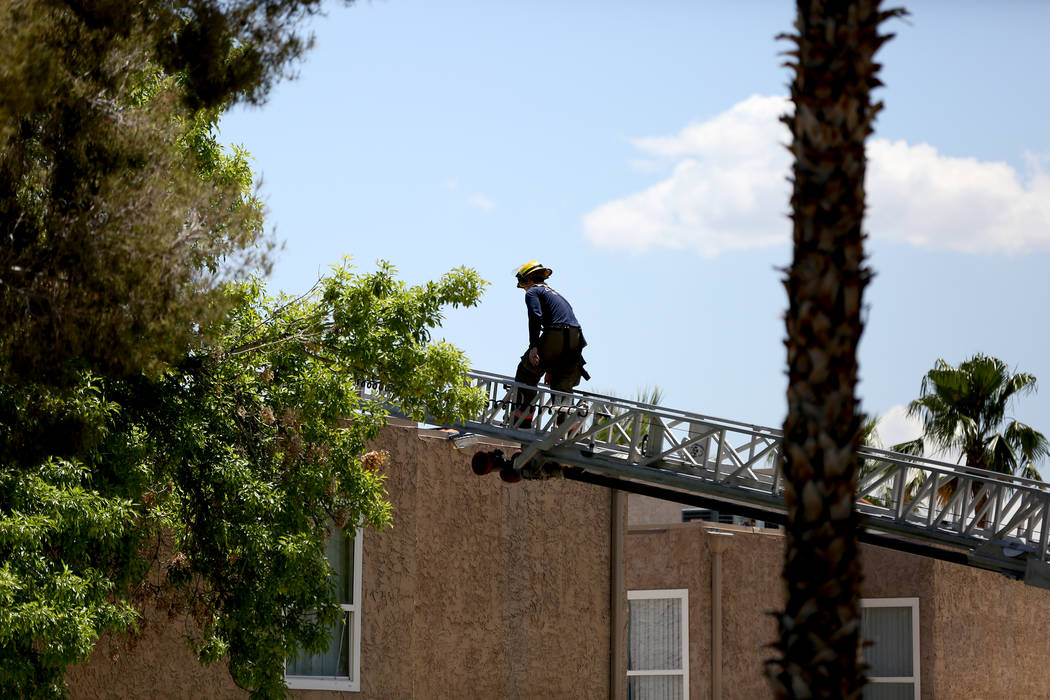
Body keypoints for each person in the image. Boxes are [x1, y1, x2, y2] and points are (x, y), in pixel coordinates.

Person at [511, 260, 589, 428]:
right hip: (575, 338)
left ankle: (522, 420)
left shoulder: (533, 292)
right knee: (561, 383)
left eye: (523, 282)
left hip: (556, 334)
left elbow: (535, 317)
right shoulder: (556, 294)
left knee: (526, 372)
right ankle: (568, 429)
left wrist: (533, 347)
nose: (523, 287)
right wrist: (552, 366)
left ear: (530, 279)